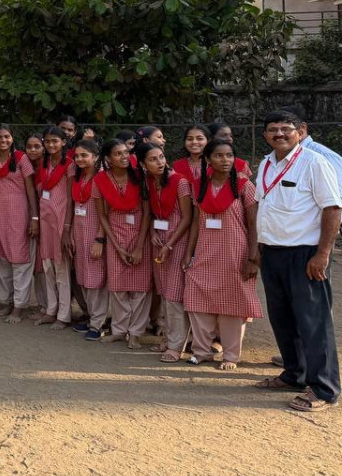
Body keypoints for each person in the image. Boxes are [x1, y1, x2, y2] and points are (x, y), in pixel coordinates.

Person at [253, 110, 342, 412]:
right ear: (265, 135)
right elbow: (263, 206)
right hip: (273, 252)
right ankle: (295, 374)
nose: (279, 134)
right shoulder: (266, 164)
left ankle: (325, 389)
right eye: (272, 129)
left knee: (313, 323)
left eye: (286, 129)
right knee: (283, 318)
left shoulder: (314, 162)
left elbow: (332, 209)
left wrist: (323, 254)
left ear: (301, 131)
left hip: (305, 254)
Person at [184, 139, 261, 370]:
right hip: (206, 253)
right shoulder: (200, 185)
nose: (225, 160)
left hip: (235, 255)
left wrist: (252, 258)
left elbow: (254, 224)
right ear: (208, 159)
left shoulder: (245, 186)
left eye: (229, 155)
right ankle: (201, 351)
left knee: (232, 307)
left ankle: (230, 356)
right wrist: (189, 253)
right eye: (218, 155)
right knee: (198, 301)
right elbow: (196, 222)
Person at [138, 142, 193, 362]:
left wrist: (170, 244)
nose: (159, 162)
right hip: (159, 240)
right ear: (143, 164)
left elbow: (188, 217)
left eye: (161, 157)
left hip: (176, 241)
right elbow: (151, 213)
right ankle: (170, 339)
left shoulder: (180, 182)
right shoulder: (149, 183)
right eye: (153, 159)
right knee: (164, 292)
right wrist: (152, 232)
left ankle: (176, 345)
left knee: (174, 293)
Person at [95, 139, 151, 349]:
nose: (124, 157)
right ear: (108, 159)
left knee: (141, 287)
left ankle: (136, 332)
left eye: (126, 152)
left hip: (139, 233)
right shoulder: (100, 179)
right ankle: (119, 330)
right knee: (118, 286)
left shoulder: (139, 176)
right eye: (118, 154)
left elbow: (146, 212)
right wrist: (115, 246)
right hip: (115, 232)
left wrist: (138, 246)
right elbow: (102, 215)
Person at [0, 125, 38, 323]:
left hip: (19, 214)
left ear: (12, 138)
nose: (3, 140)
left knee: (20, 261)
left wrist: (34, 218)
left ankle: (19, 306)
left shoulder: (22, 158)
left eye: (6, 137)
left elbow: (31, 190)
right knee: (2, 260)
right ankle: (6, 301)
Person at [34, 127, 74, 328]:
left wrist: (66, 228)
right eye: (47, 141)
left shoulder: (69, 165)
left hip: (60, 222)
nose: (51, 145)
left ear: (64, 142)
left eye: (55, 141)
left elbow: (70, 198)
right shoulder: (45, 163)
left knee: (61, 269)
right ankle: (51, 309)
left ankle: (64, 314)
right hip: (46, 221)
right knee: (47, 266)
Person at [69, 139, 108, 340]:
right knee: (84, 277)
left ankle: (98, 323)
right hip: (80, 231)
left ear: (96, 156)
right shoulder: (79, 177)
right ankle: (92, 317)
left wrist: (100, 239)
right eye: (77, 156)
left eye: (84, 155)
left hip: (95, 233)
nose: (80, 159)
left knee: (96, 279)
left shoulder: (102, 178)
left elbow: (105, 213)